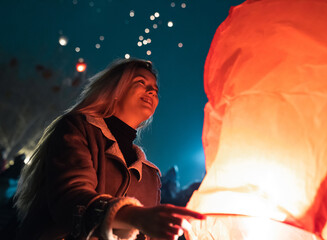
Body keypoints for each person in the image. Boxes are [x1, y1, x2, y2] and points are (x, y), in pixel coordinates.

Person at [14, 58, 205, 240]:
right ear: (115, 90)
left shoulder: (149, 175)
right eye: (141, 82)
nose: (152, 92)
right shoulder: (77, 128)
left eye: (155, 89)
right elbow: (70, 199)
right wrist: (135, 216)